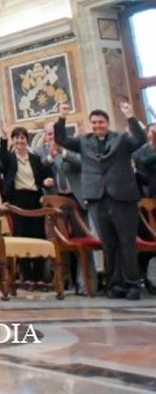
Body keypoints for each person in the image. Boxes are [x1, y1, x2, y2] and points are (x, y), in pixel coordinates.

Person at [55, 102, 147, 299]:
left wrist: (130, 116)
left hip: (122, 198)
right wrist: (62, 117)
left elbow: (140, 139)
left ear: (107, 123)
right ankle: (115, 285)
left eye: (101, 122)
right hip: (97, 198)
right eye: (94, 123)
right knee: (109, 244)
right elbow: (60, 138)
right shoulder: (83, 141)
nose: (97, 125)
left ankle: (132, 285)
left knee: (126, 242)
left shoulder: (121, 139)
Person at [0, 126, 55, 283]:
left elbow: (44, 174)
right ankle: (27, 276)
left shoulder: (34, 159)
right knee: (21, 236)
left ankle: (38, 276)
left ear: (26, 140)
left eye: (22, 138)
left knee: (38, 235)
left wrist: (47, 181)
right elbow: (1, 157)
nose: (19, 141)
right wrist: (3, 137)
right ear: (13, 140)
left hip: (35, 199)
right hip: (17, 199)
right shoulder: (9, 158)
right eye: (16, 138)